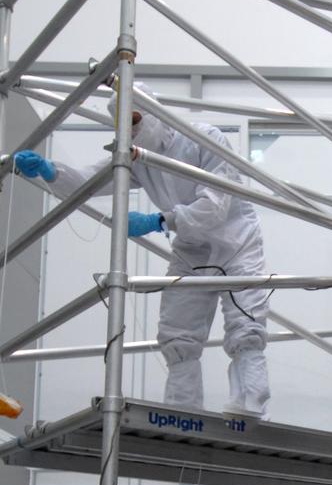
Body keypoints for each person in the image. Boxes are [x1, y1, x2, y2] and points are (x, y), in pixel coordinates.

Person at [14, 84, 272, 417]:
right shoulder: (137, 157)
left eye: (134, 119)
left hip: (236, 242)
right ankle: (183, 412)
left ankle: (250, 405)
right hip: (190, 248)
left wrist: (158, 220)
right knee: (177, 331)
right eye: (124, 125)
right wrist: (51, 171)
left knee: (245, 324)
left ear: (152, 111)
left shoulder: (204, 138)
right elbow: (89, 180)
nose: (131, 130)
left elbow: (215, 205)